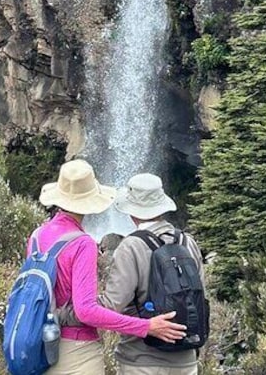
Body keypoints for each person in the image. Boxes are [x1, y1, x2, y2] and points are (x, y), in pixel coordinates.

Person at [33, 160, 186, 375]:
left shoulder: (37, 236)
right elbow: (86, 311)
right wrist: (145, 327)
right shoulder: (82, 243)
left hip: (41, 343)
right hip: (77, 350)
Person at [101, 173, 206, 375]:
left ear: (132, 212)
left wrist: (72, 311)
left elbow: (113, 304)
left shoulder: (130, 246)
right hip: (186, 360)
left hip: (141, 361)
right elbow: (200, 296)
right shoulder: (188, 242)